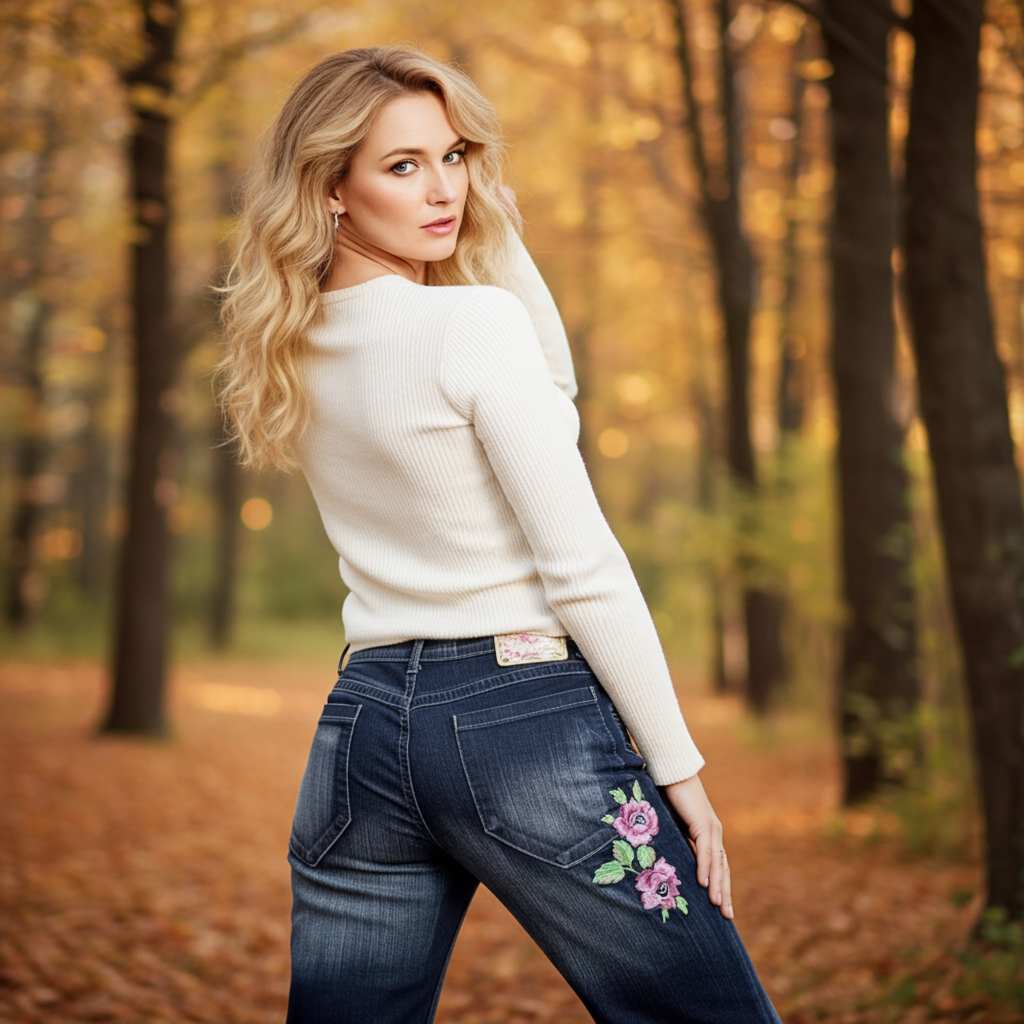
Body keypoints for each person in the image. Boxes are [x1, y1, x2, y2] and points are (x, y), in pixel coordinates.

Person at [220, 45, 781, 1024]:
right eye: (403, 166)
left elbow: (547, 405)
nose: (445, 190)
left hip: (359, 730)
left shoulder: (289, 346)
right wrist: (679, 769)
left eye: (454, 156)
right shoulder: (472, 324)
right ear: (333, 187)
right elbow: (582, 565)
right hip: (520, 719)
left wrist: (498, 237)